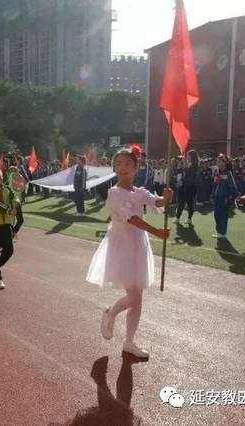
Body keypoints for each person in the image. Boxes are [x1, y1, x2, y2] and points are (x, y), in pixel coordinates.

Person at [87, 148, 172, 359]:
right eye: (119, 164)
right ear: (115, 168)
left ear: (136, 167)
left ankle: (128, 342)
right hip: (121, 245)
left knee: (137, 297)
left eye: (127, 164)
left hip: (138, 245)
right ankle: (112, 313)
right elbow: (131, 217)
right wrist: (156, 232)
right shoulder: (114, 193)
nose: (123, 167)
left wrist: (166, 197)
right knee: (134, 296)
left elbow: (156, 202)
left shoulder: (140, 191)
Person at [211, 154, 239, 239]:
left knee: (223, 215)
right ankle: (219, 231)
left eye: (219, 161)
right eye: (217, 161)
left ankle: (222, 233)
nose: (217, 163)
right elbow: (215, 185)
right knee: (216, 215)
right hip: (217, 196)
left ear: (224, 162)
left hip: (224, 197)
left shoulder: (228, 173)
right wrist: (212, 194)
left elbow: (232, 185)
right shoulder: (217, 173)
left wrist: (233, 196)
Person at [174, 149, 199, 225]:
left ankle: (189, 218)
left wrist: (185, 167)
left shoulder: (195, 165)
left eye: (188, 155)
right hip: (184, 186)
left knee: (189, 203)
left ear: (191, 156)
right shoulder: (187, 163)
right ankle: (177, 218)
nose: (187, 157)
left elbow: (190, 174)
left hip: (190, 187)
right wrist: (180, 166)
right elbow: (181, 172)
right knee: (181, 202)